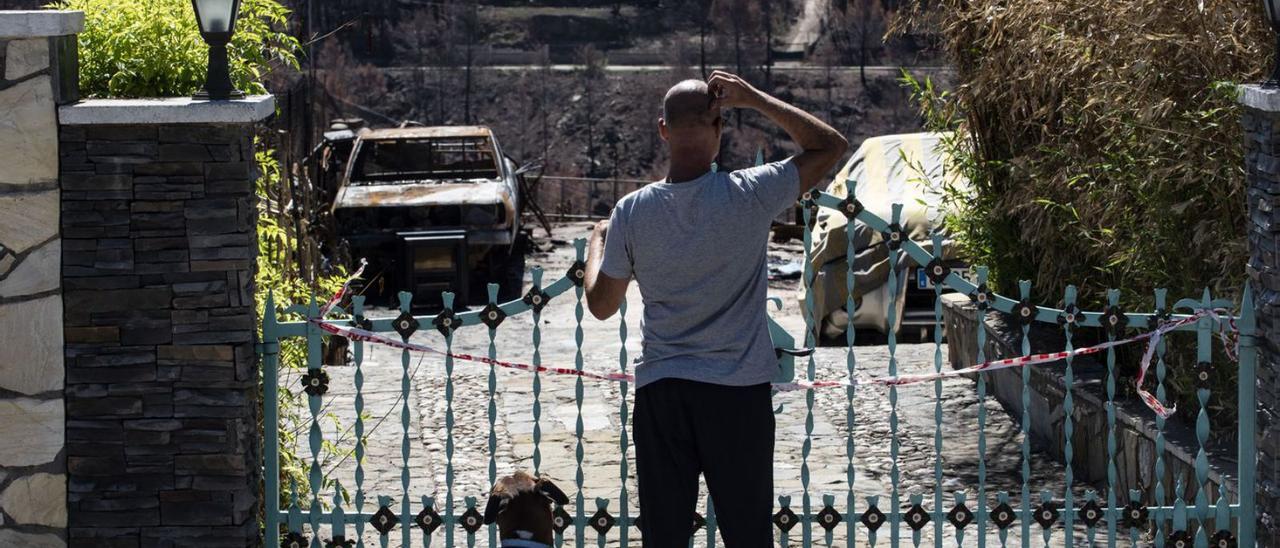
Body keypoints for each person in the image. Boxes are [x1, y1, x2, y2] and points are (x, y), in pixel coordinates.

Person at [582, 70, 848, 546]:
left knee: (665, 537)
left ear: (662, 129)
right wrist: (756, 98)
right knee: (748, 535)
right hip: (736, 393)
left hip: (663, 390)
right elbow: (829, 145)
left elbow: (602, 305)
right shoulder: (750, 193)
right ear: (720, 128)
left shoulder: (631, 212)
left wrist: (595, 243)